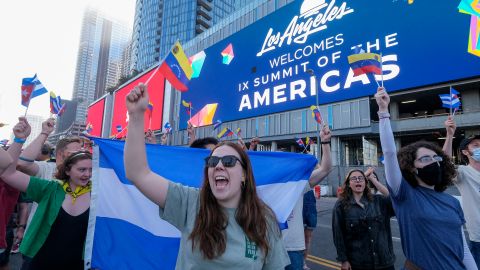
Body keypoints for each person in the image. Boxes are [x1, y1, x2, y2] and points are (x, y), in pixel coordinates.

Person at [124, 83, 290, 269]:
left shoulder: (264, 220)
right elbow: (137, 173)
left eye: (228, 161)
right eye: (212, 162)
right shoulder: (190, 202)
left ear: (244, 174)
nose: (218, 166)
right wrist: (136, 116)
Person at [375, 87, 477, 269]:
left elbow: (462, 247)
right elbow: (390, 153)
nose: (434, 162)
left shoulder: (451, 202)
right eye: (425, 159)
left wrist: (450, 135)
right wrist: (383, 112)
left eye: (435, 158)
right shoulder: (404, 194)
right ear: (412, 168)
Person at [0, 117, 92, 270]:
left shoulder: (96, 193)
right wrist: (20, 139)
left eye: (90, 169)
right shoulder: (49, 185)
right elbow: (13, 170)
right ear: (67, 169)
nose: (87, 174)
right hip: (39, 258)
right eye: (82, 169)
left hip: (76, 262)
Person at [283, 125, 332, 270]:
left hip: (293, 248)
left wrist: (325, 143)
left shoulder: (297, 183)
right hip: (267, 246)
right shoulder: (265, 184)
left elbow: (326, 169)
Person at [332, 169, 394, 270]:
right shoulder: (341, 206)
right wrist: (344, 260)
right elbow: (338, 235)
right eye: (354, 179)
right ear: (348, 184)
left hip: (384, 261)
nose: (358, 180)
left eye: (361, 178)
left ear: (366, 182)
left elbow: (395, 199)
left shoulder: (378, 201)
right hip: (359, 263)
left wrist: (374, 180)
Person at [443, 116, 480, 267]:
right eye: (476, 146)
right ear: (465, 152)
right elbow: (444, 164)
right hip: (478, 238)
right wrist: (450, 134)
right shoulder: (463, 173)